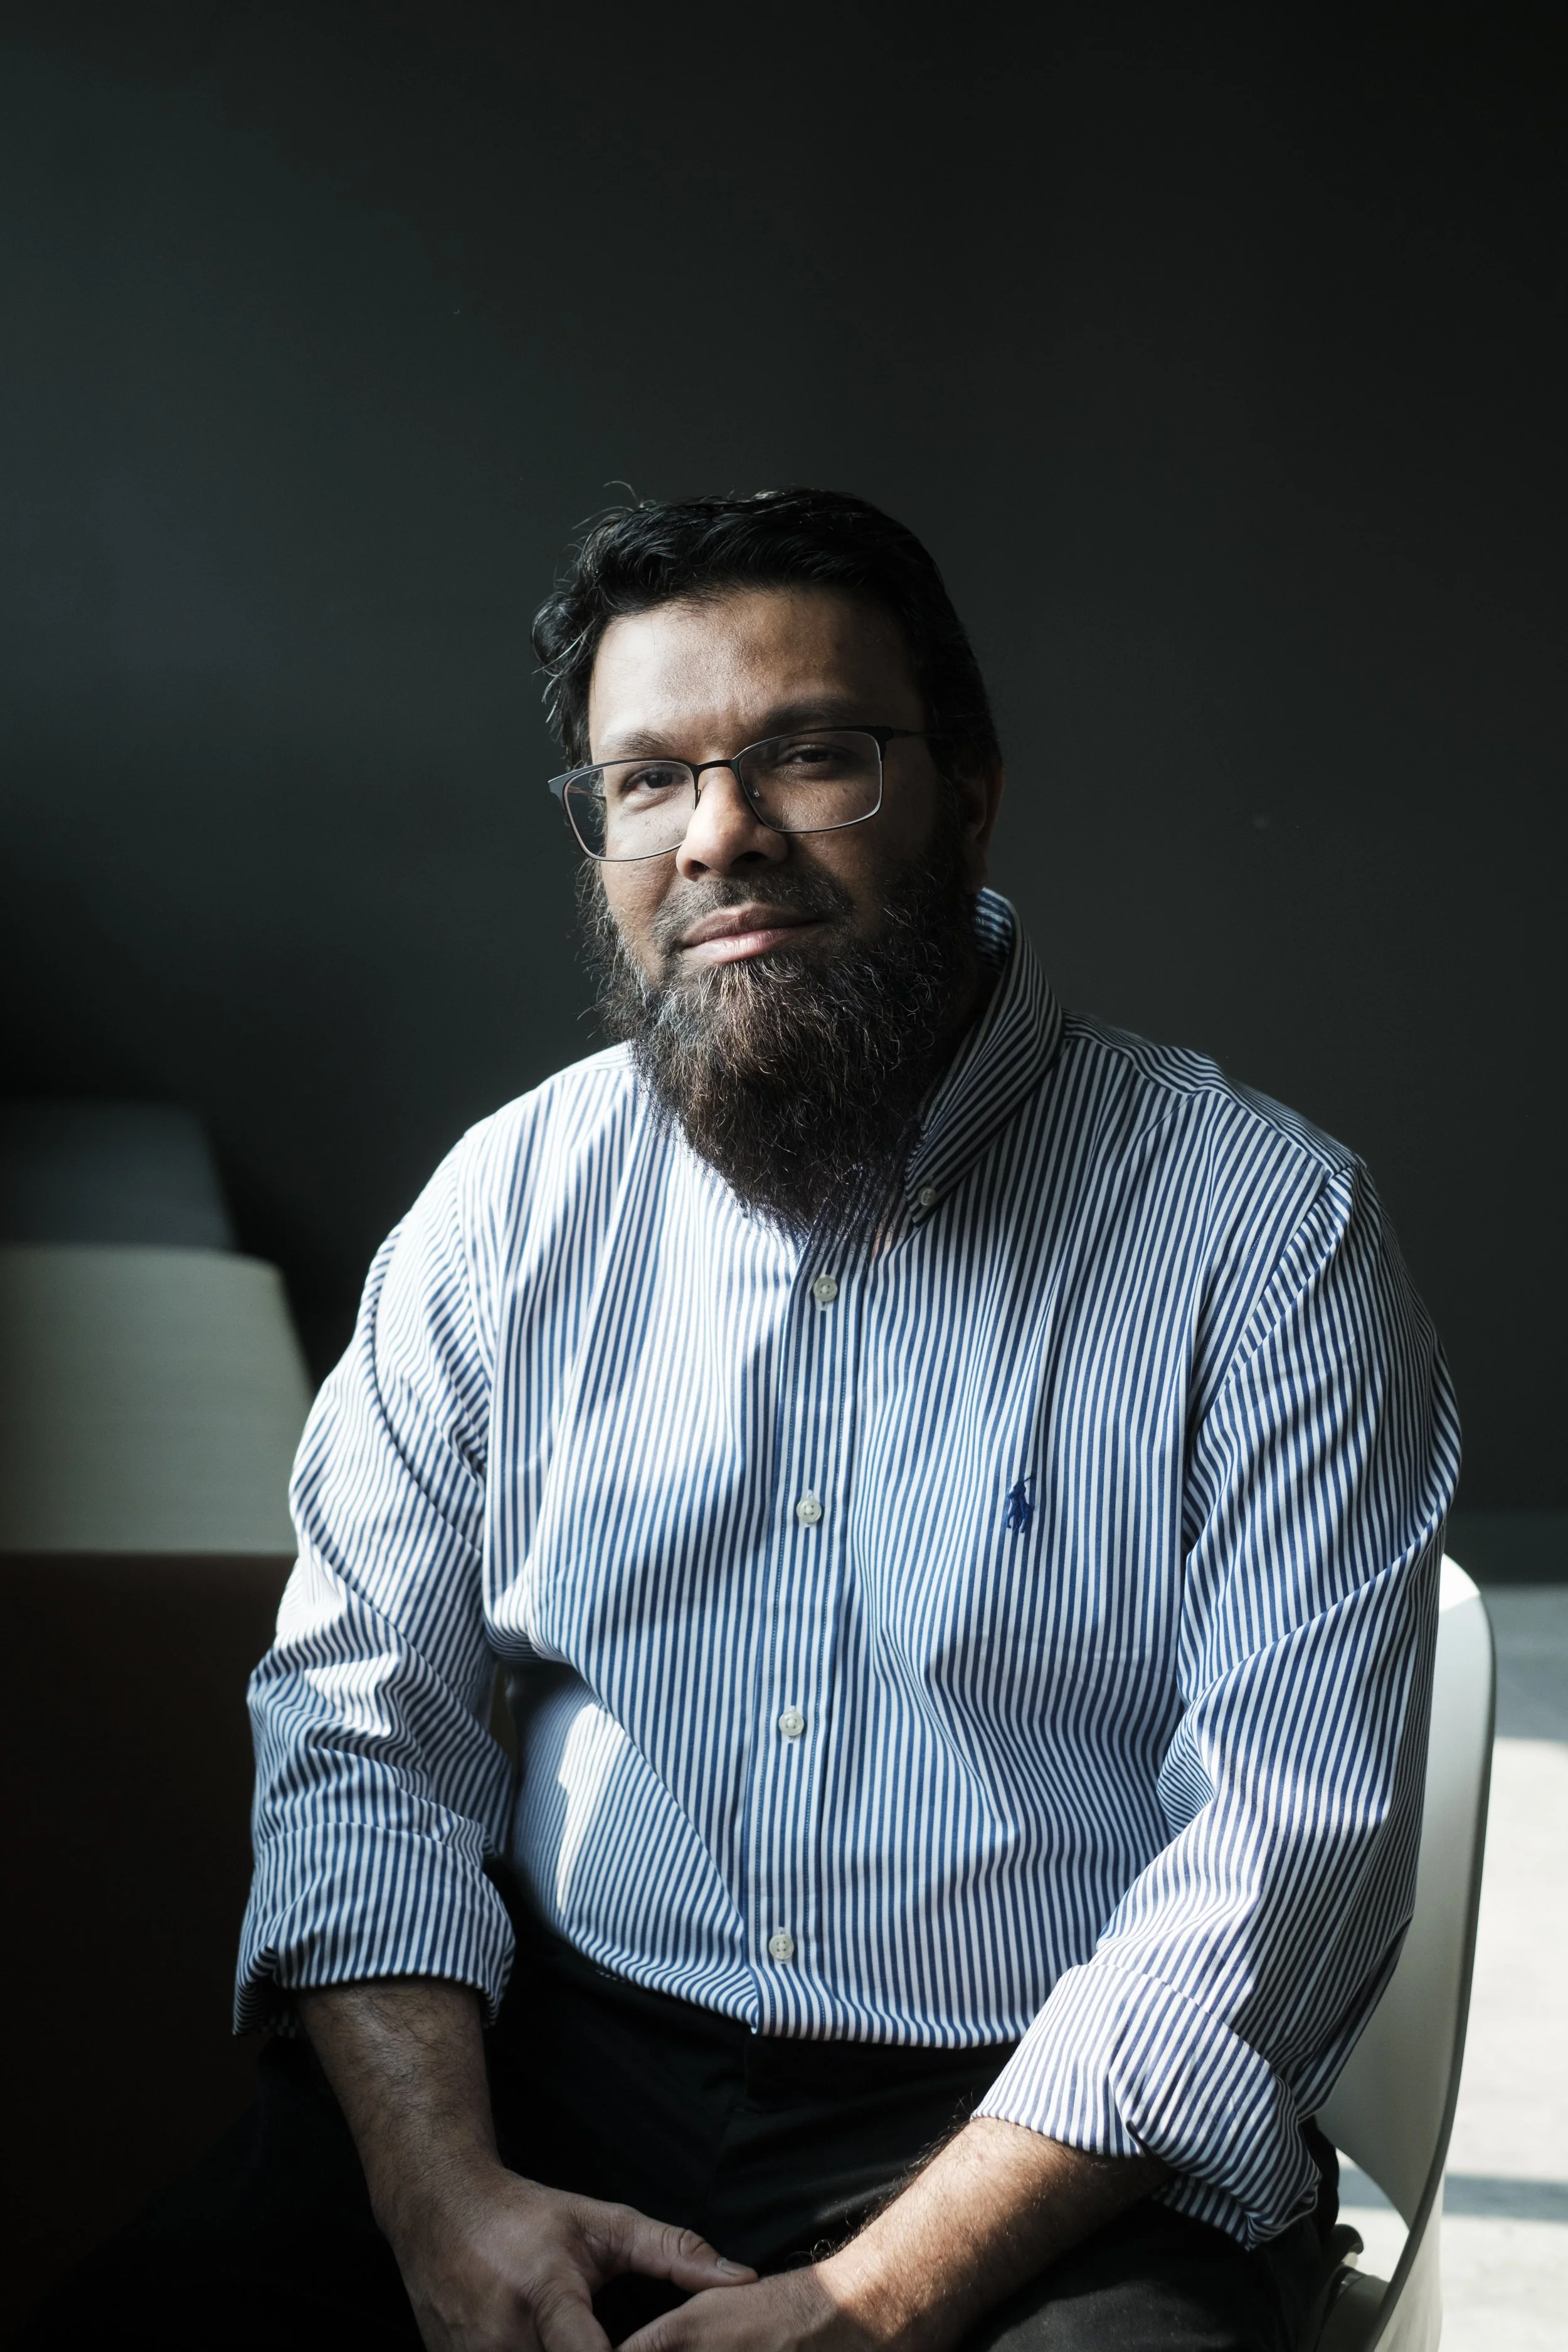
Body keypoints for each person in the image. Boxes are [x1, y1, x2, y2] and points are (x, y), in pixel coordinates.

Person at [19, 489, 1459, 2352]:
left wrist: (864, 2302)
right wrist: (443, 2197)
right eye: (648, 780)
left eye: (811, 756)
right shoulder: (503, 1206)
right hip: (550, 2059)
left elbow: (1277, 1865)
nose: (720, 836)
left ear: (968, 790)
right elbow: (359, 1729)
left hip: (1044, 2114)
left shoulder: (1266, 1237)